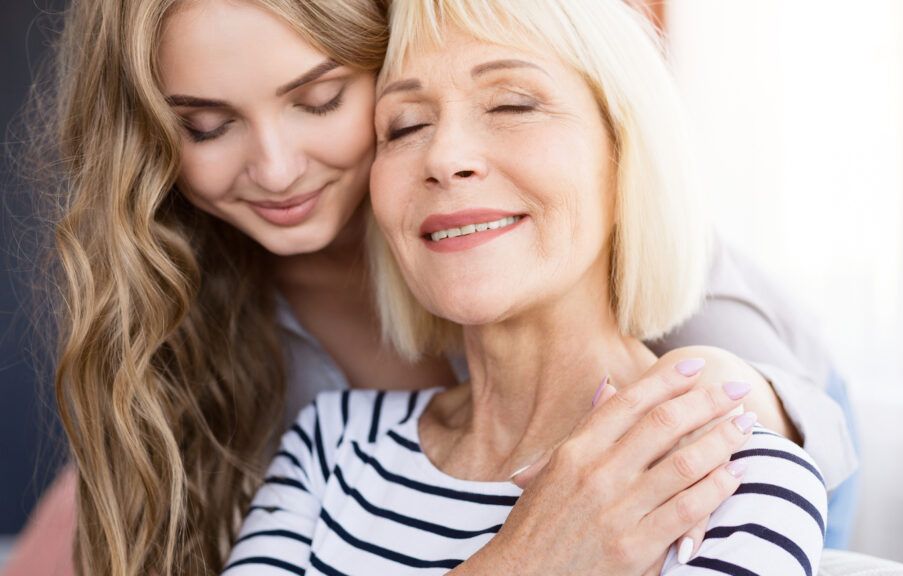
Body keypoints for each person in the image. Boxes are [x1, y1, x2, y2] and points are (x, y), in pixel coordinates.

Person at [9, 0, 854, 573]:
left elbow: (766, 419)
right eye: (206, 124)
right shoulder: (315, 423)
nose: (272, 167)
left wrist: (713, 432)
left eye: (320, 99)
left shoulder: (585, 209)